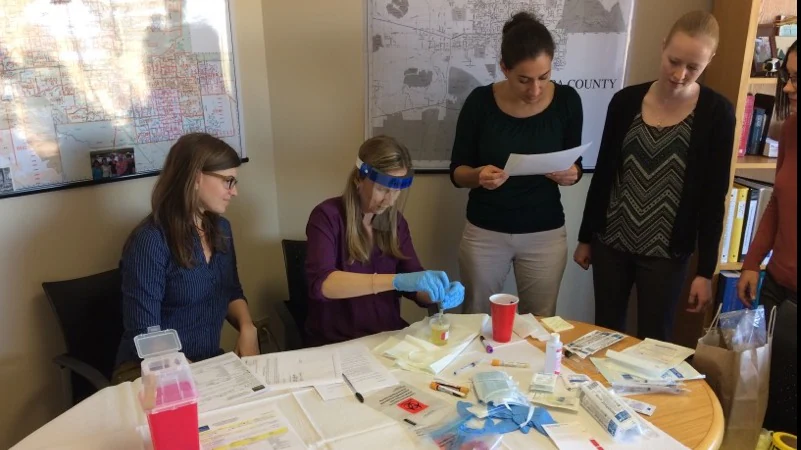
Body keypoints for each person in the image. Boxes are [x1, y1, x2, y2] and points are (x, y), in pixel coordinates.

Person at [574, 11, 735, 341]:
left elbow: (713, 197)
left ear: (710, 60)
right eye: (674, 61)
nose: (680, 74)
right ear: (663, 47)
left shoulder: (717, 113)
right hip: (610, 243)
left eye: (694, 67)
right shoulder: (625, 102)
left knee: (654, 342)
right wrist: (586, 237)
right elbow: (604, 173)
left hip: (666, 254)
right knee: (603, 334)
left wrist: (706, 271)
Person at [450, 12, 584, 316]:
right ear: (504, 69)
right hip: (486, 232)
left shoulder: (567, 101)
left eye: (544, 77)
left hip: (545, 232)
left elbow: (576, 164)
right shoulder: (480, 102)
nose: (534, 90)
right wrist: (478, 176)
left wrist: (572, 173)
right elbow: (457, 172)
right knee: (476, 320)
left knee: (541, 324)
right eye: (524, 80)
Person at [113, 133, 257, 383]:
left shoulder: (221, 229)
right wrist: (200, 378)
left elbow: (231, 290)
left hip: (206, 364)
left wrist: (247, 327)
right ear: (196, 177)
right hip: (148, 372)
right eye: (229, 181)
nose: (234, 192)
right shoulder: (151, 240)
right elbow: (146, 335)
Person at [305, 135, 464, 346]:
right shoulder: (327, 217)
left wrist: (437, 293)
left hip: (387, 339)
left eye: (397, 191)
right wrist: (393, 281)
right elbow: (323, 284)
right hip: (339, 342)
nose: (389, 200)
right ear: (358, 179)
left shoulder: (397, 224)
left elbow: (414, 283)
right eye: (382, 189)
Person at [738, 40, 796, 435]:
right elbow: (777, 201)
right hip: (778, 287)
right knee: (774, 407)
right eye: (789, 77)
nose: (789, 89)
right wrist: (751, 263)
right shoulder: (791, 130)